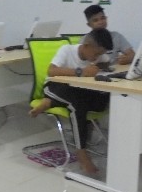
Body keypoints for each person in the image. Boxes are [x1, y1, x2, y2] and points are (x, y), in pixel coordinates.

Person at [29, 28, 113, 174]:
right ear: (86, 46)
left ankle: (50, 102)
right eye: (96, 54)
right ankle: (81, 153)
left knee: (101, 100)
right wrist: (81, 72)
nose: (97, 57)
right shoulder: (67, 50)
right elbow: (51, 71)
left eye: (100, 54)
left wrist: (101, 67)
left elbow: (106, 62)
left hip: (77, 92)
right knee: (77, 105)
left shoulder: (99, 56)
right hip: (55, 87)